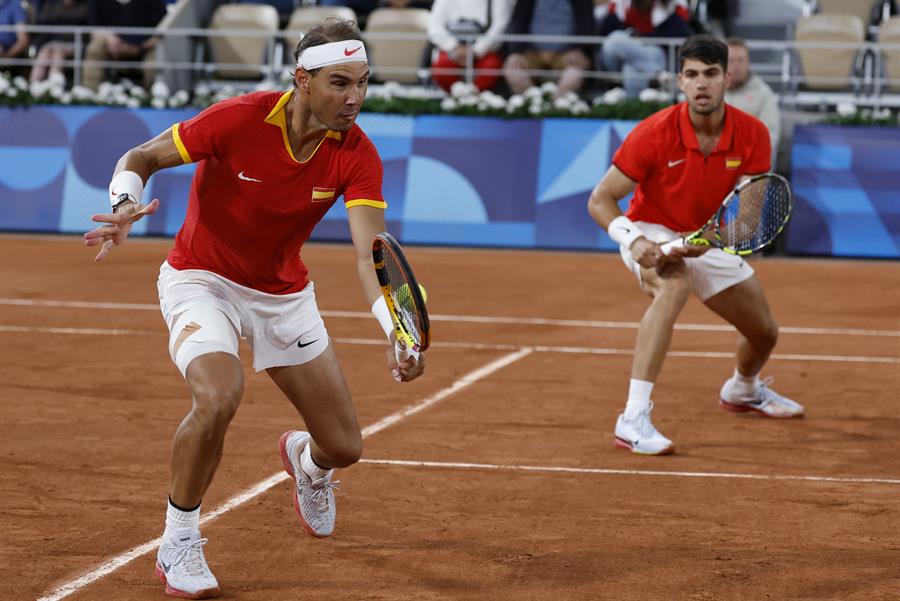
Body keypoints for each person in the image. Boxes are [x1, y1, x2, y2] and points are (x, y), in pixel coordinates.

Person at [83, 19, 426, 599]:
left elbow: (374, 255)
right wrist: (123, 203)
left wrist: (394, 325)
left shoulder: (358, 154)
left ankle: (307, 464)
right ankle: (180, 540)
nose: (355, 98)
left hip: (283, 296)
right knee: (218, 396)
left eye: (363, 83)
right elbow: (140, 156)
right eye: (340, 83)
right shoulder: (238, 117)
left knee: (345, 447)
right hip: (201, 279)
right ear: (303, 79)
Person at [587, 34, 803, 456]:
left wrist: (713, 239)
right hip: (650, 227)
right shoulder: (654, 132)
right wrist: (634, 240)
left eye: (710, 74)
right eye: (691, 75)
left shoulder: (753, 134)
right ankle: (632, 417)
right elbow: (601, 200)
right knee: (675, 283)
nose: (701, 84)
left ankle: (743, 390)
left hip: (706, 234)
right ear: (680, 82)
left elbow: (746, 225)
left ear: (727, 79)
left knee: (764, 333)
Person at [598, 0, 692, 98]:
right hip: (617, 64)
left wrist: (644, 37)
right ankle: (659, 75)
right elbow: (604, 33)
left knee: (630, 68)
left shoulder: (672, 5)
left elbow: (681, 36)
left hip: (657, 55)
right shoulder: (620, 5)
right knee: (615, 39)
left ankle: (635, 105)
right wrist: (632, 35)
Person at [502, 0, 593, 97]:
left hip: (566, 55)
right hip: (532, 54)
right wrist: (516, 52)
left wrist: (579, 49)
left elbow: (587, 23)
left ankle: (557, 109)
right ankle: (534, 105)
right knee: (513, 68)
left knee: (574, 73)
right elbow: (518, 22)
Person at [427, 0, 511, 92]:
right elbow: (434, 27)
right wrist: (454, 46)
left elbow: (499, 27)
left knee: (491, 66)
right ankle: (457, 98)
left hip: (484, 52)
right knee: (441, 67)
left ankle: (472, 98)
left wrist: (475, 51)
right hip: (453, 52)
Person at [83, 0, 167, 90]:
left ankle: (151, 98)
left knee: (155, 58)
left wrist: (139, 48)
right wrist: (109, 38)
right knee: (95, 48)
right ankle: (89, 95)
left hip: (144, 50)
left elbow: (160, 35)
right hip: (110, 48)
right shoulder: (97, 2)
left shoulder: (155, 2)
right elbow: (94, 31)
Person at [724, 37, 780, 166]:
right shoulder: (714, 91)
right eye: (731, 60)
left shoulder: (764, 94)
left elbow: (771, 137)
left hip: (750, 167)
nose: (736, 66)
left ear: (748, 62)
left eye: (740, 60)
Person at [29, 0, 90, 84]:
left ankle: (54, 86)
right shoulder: (52, 6)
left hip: (75, 43)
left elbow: (86, 33)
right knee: (45, 51)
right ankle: (33, 84)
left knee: (58, 51)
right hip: (54, 43)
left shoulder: (85, 6)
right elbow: (46, 29)